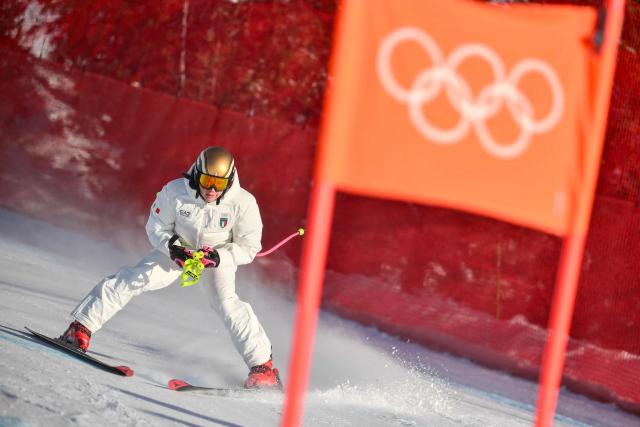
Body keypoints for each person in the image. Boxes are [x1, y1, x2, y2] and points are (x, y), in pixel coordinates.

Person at [60, 146, 281, 389]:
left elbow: (249, 247)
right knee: (134, 278)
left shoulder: (244, 203)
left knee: (227, 304)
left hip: (216, 260)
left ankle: (263, 368)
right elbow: (155, 227)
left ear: (230, 181)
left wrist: (217, 257)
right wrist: (174, 248)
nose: (212, 190)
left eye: (219, 184)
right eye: (207, 180)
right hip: (177, 253)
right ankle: (79, 329)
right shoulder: (175, 191)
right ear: (196, 174)